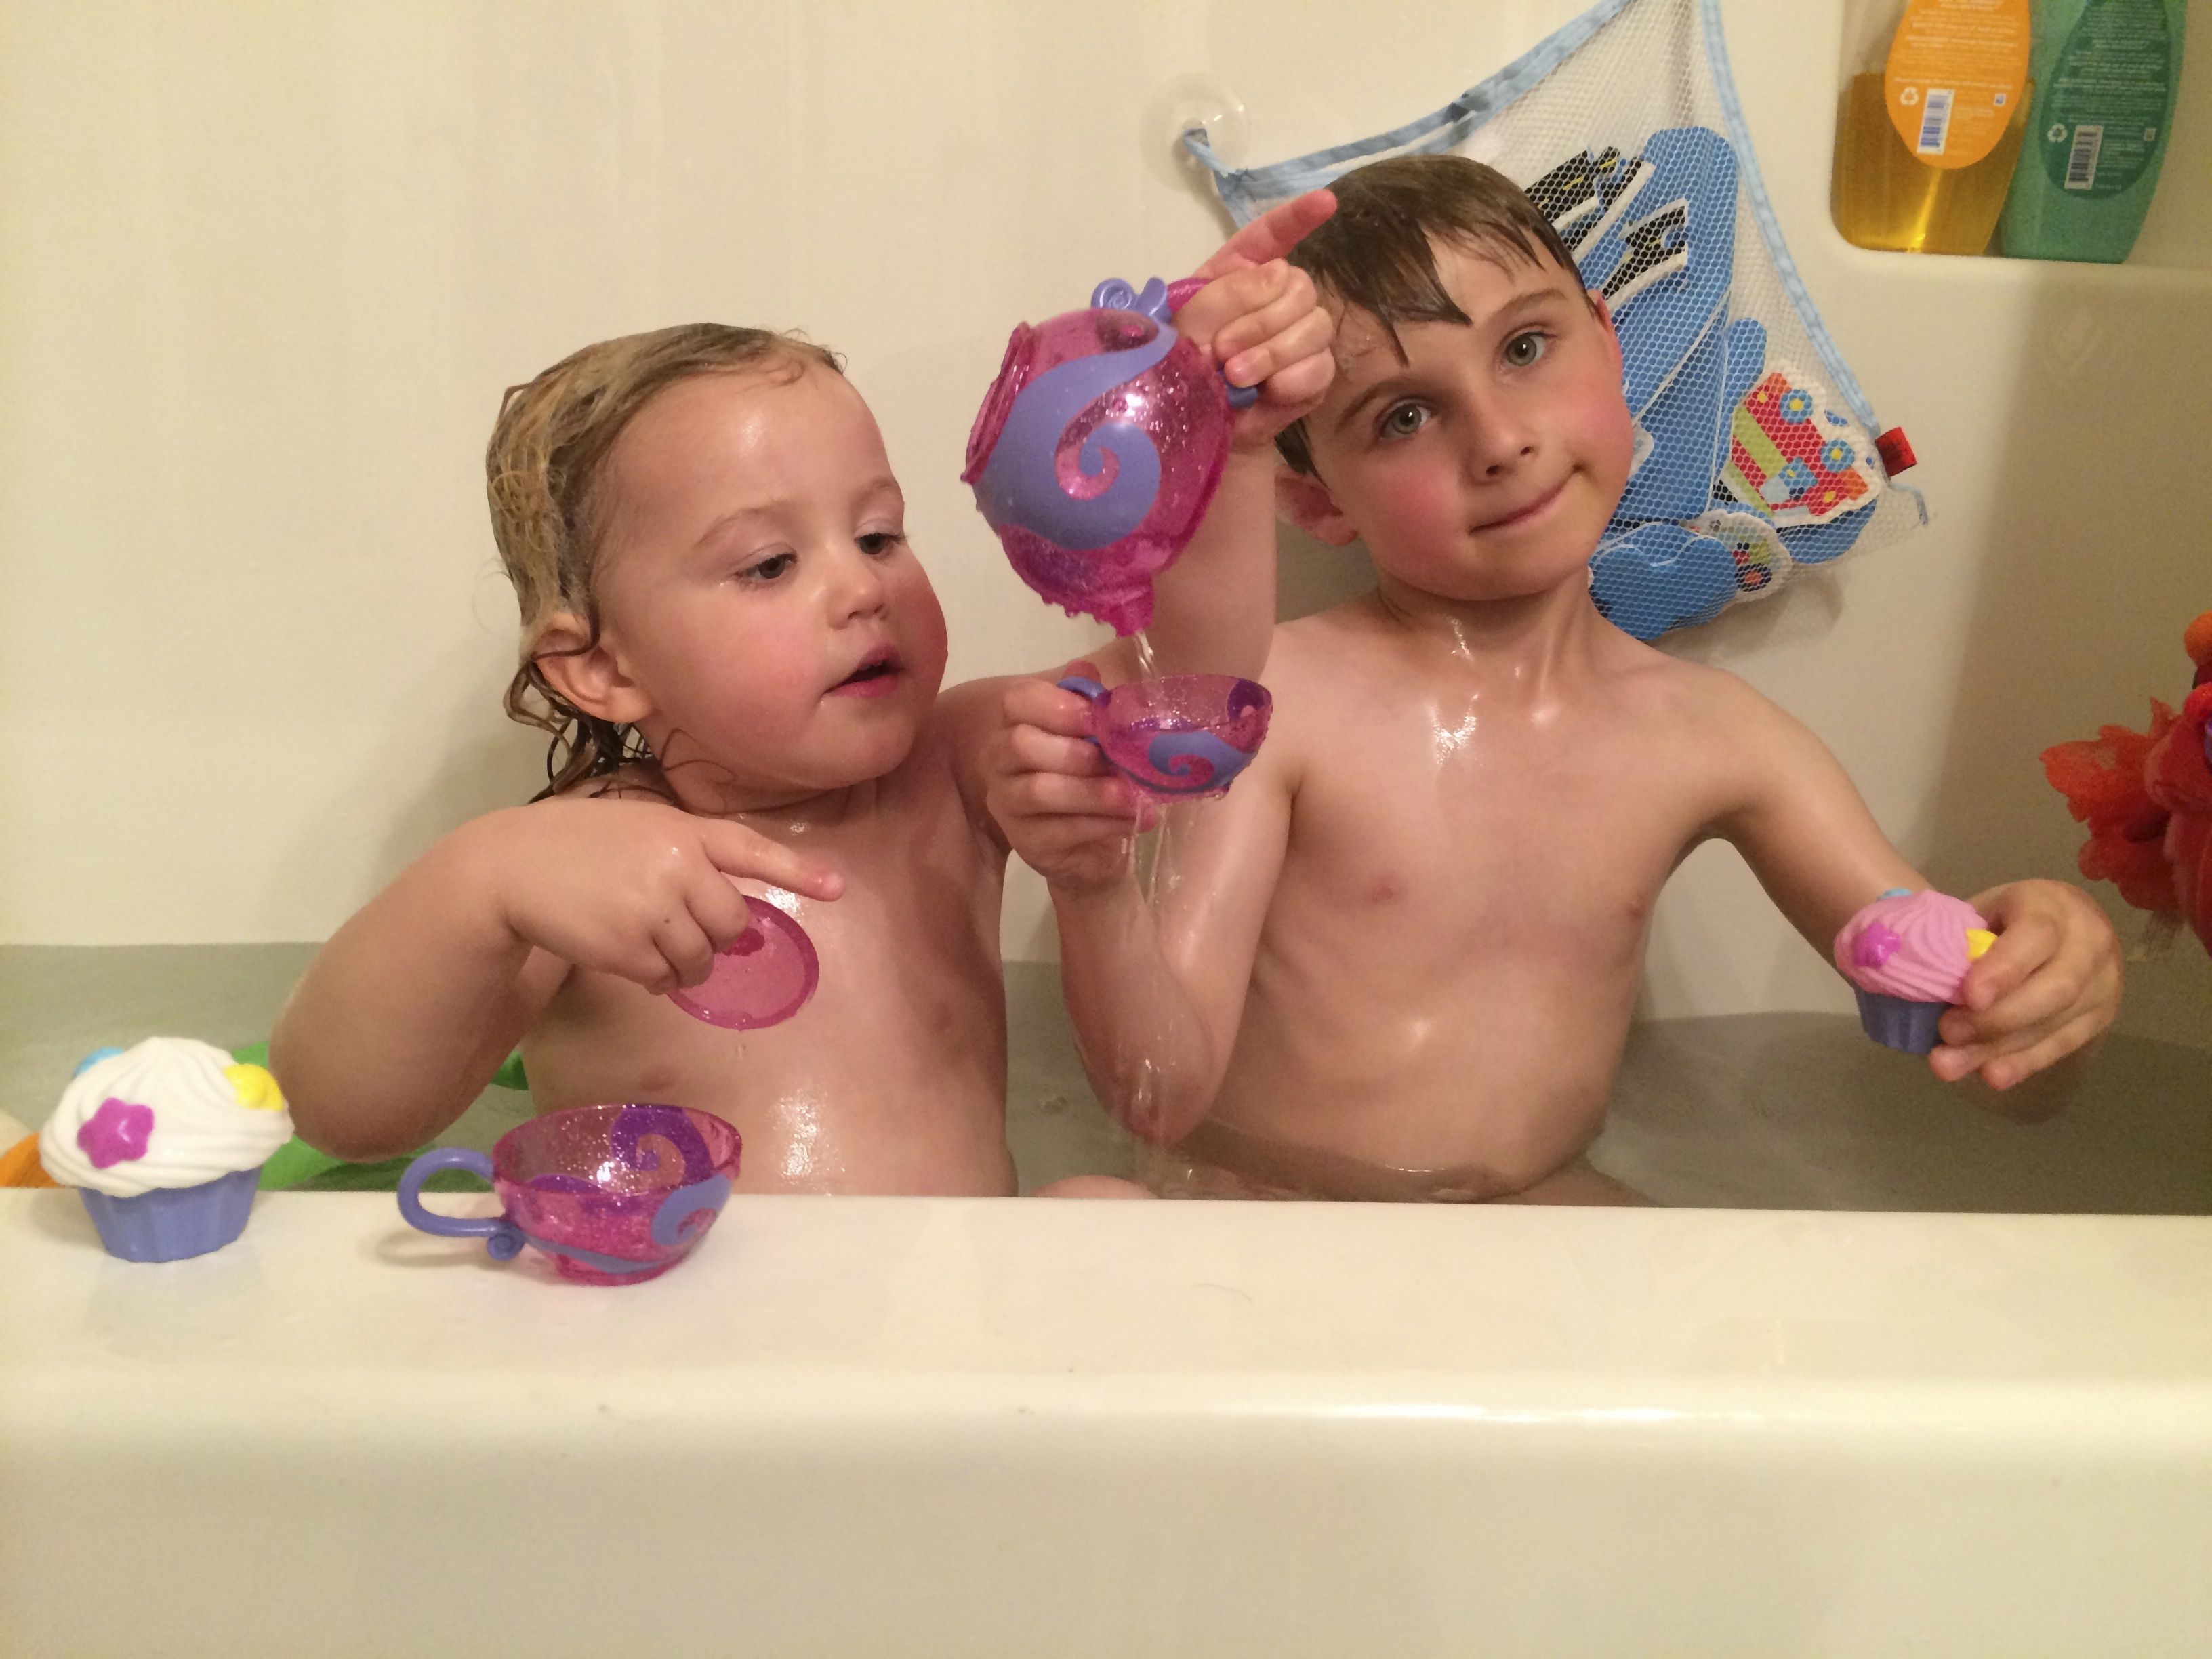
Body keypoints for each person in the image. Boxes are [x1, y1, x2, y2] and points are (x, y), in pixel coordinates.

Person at [987, 155, 2123, 1202]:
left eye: (1525, 350)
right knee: (1090, 1214)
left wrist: (2039, 988)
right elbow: (1159, 1095)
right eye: (1405, 417)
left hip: (1544, 1225)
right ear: (1318, 501)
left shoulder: (1721, 741)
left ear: (1609, 345)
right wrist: (1094, 890)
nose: (1499, 440)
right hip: (1278, 1226)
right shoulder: (1281, 703)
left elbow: (1994, 1068)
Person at [269, 192, 1338, 1195]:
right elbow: (344, 1113)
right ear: (606, 670)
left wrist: (1212, 431)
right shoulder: (594, 869)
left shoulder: (964, 765)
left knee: (1098, 1206)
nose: (863, 588)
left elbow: (1192, 688)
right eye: (770, 564)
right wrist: (482, 881)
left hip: (950, 1315)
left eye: (879, 535)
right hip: (701, 1322)